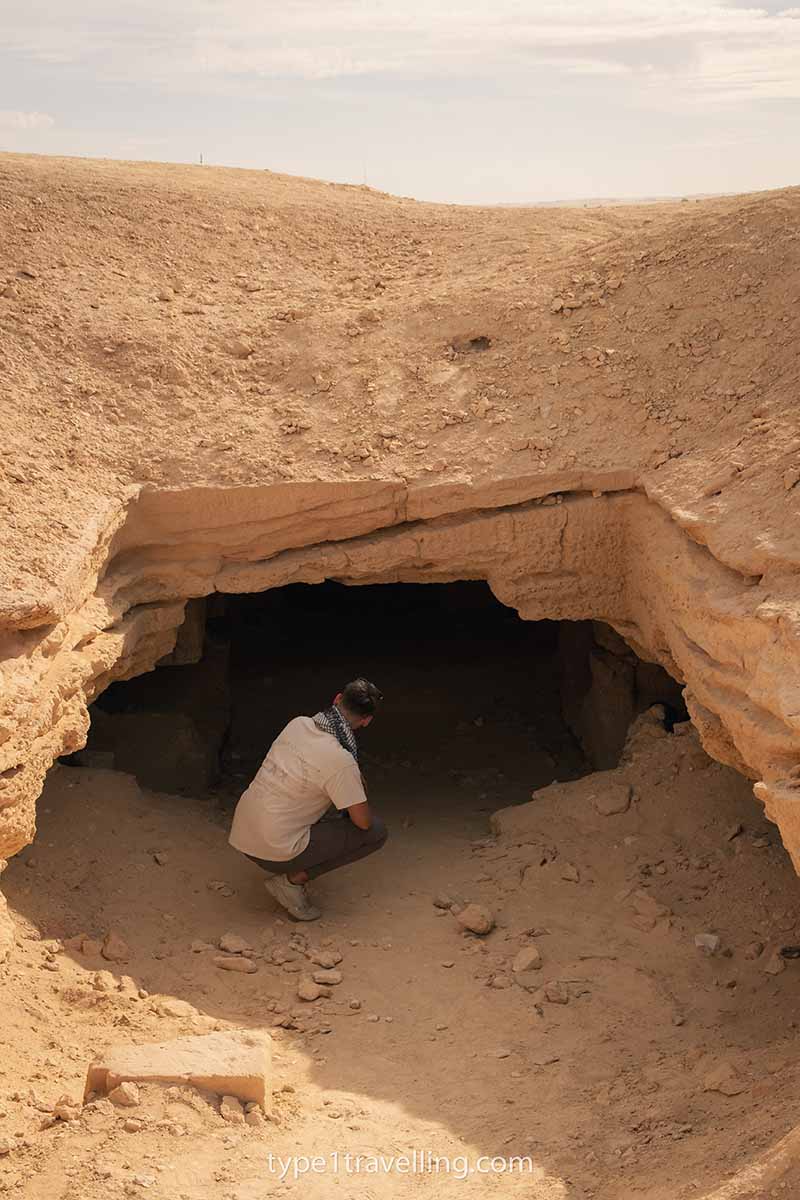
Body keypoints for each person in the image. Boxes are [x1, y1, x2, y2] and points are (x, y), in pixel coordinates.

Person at [229, 678, 387, 921]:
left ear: (337, 699)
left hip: (243, 831)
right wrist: (355, 785)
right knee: (375, 832)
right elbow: (362, 823)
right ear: (366, 721)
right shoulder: (341, 761)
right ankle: (290, 883)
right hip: (273, 849)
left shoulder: (298, 723)